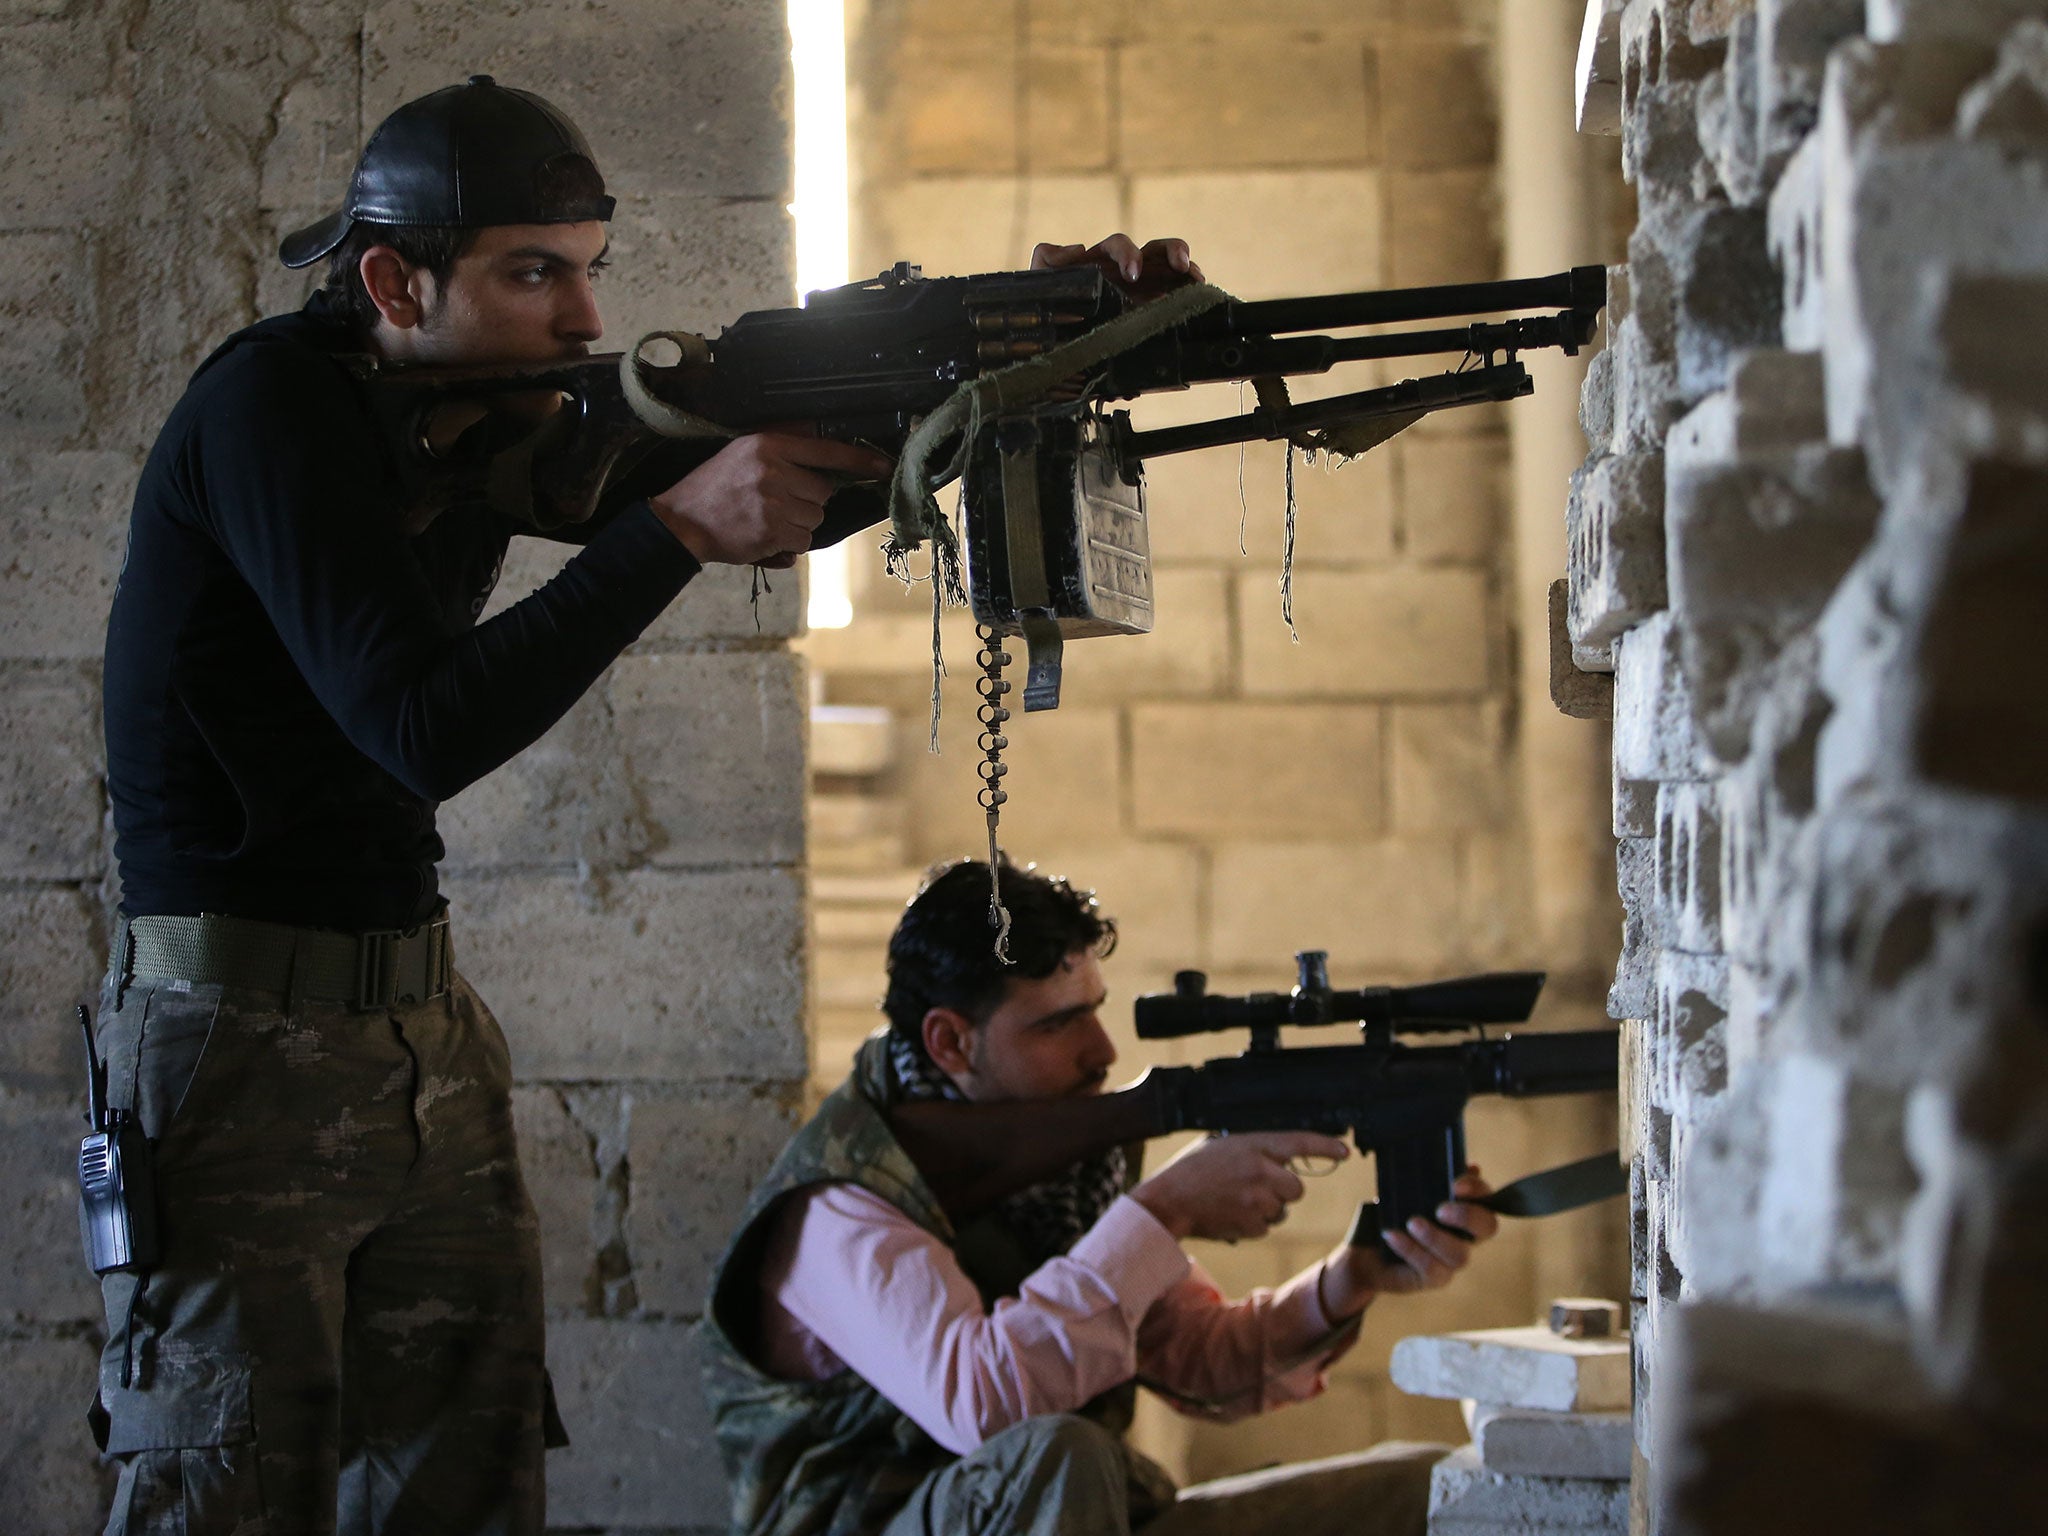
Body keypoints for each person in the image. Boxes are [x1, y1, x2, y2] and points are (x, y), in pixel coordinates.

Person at [93, 72, 1194, 1535]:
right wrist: (677, 529)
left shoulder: (469, 415)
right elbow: (420, 726)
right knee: (219, 1496)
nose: (587, 322)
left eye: (590, 270)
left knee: (469, 1485)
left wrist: (1031, 352)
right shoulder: (271, 414)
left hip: (417, 1028)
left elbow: (779, 476)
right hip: (229, 1050)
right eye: (535, 274)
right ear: (389, 278)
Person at [701, 858, 1503, 1536]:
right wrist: (1164, 1212)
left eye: (1096, 1011)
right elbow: (986, 1404)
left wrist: (1350, 1280)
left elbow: (1198, 1361)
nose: (1104, 1050)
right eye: (1058, 1026)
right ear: (950, 1041)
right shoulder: (840, 1203)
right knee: (1060, 1454)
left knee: (1424, 1489)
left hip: (1085, 1513)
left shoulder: (1062, 1171)